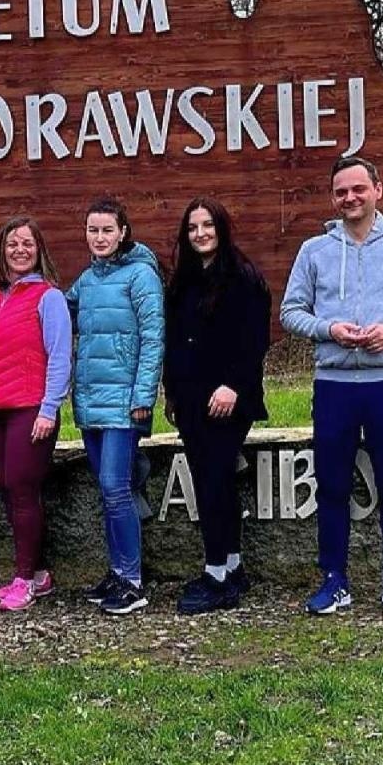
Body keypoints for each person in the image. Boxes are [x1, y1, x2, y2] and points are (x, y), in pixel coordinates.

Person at [281, 156, 383, 615]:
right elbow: (290, 312)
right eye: (341, 192)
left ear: (378, 189)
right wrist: (328, 329)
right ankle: (334, 579)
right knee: (331, 486)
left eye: (358, 189)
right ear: (333, 198)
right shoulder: (313, 251)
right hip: (333, 385)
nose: (350, 198)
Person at [164, 198, 270, 615]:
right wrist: (172, 392)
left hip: (227, 402)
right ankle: (231, 566)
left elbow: (254, 342)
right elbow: (176, 342)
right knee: (212, 485)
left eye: (207, 226)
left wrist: (234, 387)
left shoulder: (242, 279)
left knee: (214, 485)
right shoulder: (185, 282)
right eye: (192, 228)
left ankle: (217, 575)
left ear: (221, 229)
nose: (200, 234)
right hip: (191, 400)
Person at [0, 217, 72, 611]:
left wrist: (49, 408)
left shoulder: (49, 297)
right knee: (4, 485)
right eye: (13, 244)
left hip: (30, 409)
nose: (20, 250)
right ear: (1, 249)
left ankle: (24, 578)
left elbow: (60, 357)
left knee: (24, 489)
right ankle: (39, 571)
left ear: (39, 249)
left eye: (27, 243)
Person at [67, 197, 164, 616]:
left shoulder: (141, 276)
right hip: (90, 403)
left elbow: (153, 337)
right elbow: (58, 313)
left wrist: (143, 395)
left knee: (115, 486)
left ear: (123, 231)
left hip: (125, 405)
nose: (100, 237)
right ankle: (115, 570)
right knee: (107, 491)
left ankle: (132, 578)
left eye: (108, 229)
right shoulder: (86, 281)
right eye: (93, 230)